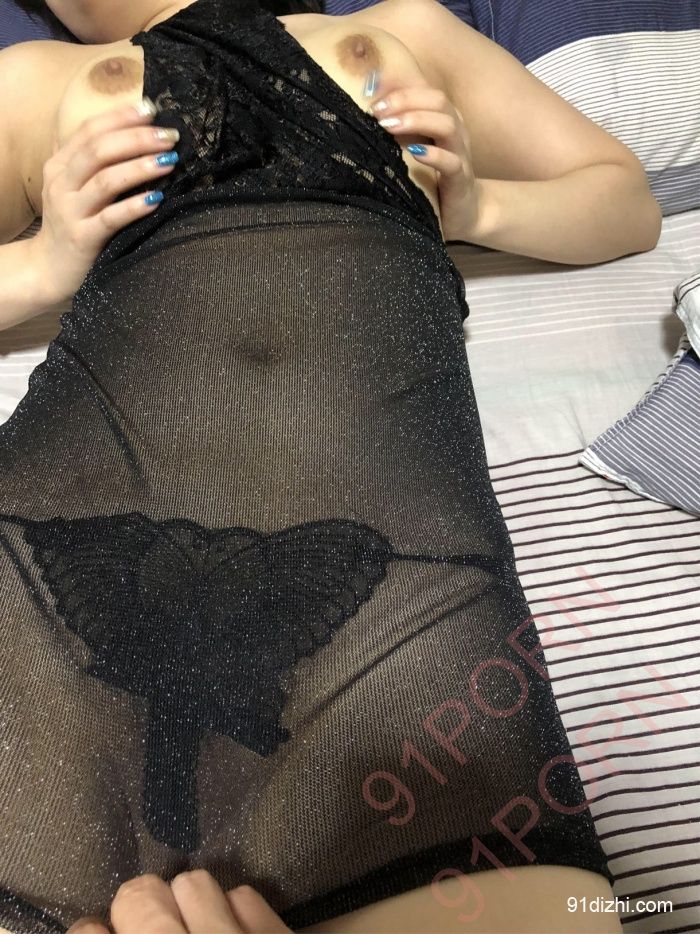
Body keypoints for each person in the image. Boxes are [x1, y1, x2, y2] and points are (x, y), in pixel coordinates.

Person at [0, 0, 660, 931]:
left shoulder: (410, 25)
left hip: (392, 571)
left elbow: (626, 203)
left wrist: (477, 205)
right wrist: (43, 259)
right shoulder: (36, 77)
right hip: (67, 552)